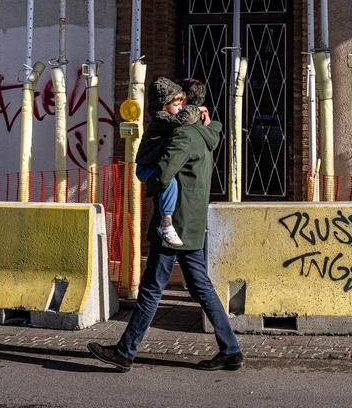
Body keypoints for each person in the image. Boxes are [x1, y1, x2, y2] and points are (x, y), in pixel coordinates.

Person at [89, 77, 243, 373]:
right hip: (194, 223)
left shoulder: (183, 136)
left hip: (174, 226)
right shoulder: (205, 132)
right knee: (202, 289)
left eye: (182, 101)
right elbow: (212, 135)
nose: (180, 105)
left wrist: (150, 179)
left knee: (151, 290)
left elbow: (162, 175)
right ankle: (231, 350)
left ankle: (125, 351)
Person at [133, 78, 197, 249]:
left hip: (154, 164)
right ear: (164, 105)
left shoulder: (167, 117)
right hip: (146, 167)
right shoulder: (162, 118)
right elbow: (184, 119)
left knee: (170, 181)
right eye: (176, 104)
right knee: (169, 182)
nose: (180, 108)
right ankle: (166, 223)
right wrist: (195, 108)